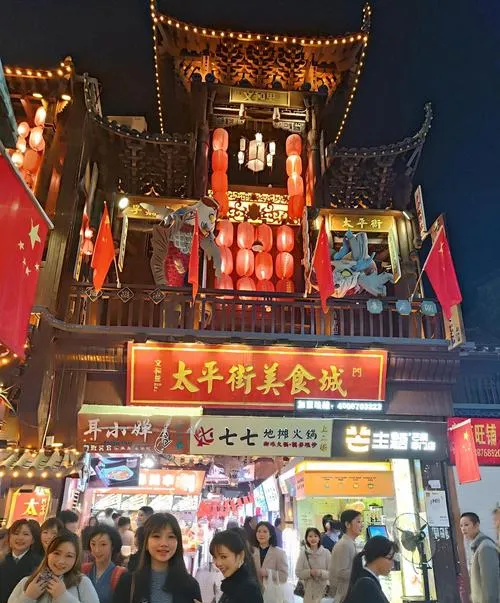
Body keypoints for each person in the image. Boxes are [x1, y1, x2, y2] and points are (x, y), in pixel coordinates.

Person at [113, 513, 201, 603]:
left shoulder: (190, 586)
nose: (164, 543)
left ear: (178, 543)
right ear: (146, 543)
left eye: (171, 536)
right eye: (156, 536)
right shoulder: (128, 582)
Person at [7, 531, 99, 603]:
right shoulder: (27, 582)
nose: (61, 561)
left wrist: (63, 597)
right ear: (48, 554)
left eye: (69, 556)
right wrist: (28, 597)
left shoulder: (82, 583)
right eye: (56, 553)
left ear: (76, 559)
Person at [210, 529, 263, 603]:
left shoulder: (248, 590)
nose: (218, 563)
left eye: (223, 557)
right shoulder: (232, 582)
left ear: (240, 556)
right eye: (215, 557)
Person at [342, 535, 396, 603]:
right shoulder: (366, 583)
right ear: (376, 556)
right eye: (390, 558)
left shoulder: (367, 580)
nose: (392, 564)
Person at [460, 512, 500, 603]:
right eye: (461, 526)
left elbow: (490, 583)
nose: (463, 529)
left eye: (466, 525)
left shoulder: (485, 547)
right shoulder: (477, 547)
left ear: (476, 525)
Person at [0, 519, 41, 603]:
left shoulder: (38, 563)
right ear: (9, 537)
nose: (20, 538)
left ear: (33, 540)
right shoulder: (2, 559)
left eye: (26, 534)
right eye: (16, 533)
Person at [82, 525, 125, 603]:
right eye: (93, 544)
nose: (97, 550)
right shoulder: (84, 570)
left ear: (113, 546)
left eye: (103, 544)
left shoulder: (120, 574)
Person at [328, 510, 363, 603]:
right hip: (345, 596)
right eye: (358, 521)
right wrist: (362, 572)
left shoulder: (349, 543)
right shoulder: (344, 544)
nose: (361, 525)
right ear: (347, 524)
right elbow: (341, 572)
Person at [295, 528, 330, 603]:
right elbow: (298, 572)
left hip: (324, 593)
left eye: (315, 536)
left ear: (319, 538)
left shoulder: (326, 553)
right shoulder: (303, 554)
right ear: (307, 538)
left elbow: (332, 573)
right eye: (310, 536)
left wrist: (320, 572)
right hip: (308, 593)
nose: (313, 538)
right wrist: (309, 572)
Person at [252, 521, 288, 586]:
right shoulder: (251, 552)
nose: (261, 534)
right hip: (254, 590)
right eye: (259, 531)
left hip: (272, 590)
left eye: (265, 531)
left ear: (270, 534)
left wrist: (268, 572)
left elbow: (284, 577)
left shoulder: (279, 553)